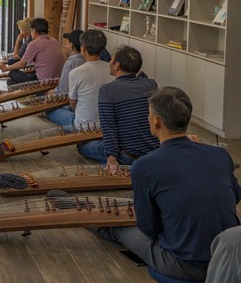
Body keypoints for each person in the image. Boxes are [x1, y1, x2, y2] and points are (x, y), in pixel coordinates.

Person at [92, 87, 240, 282]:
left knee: (120, 229)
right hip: (231, 257)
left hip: (185, 265)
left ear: (156, 121)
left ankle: (88, 218)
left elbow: (149, 228)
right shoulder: (220, 154)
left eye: (148, 114)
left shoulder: (144, 166)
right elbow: (235, 197)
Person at [96, 45, 159, 170]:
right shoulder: (151, 84)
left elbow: (108, 126)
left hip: (129, 156)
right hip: (155, 153)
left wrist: (111, 159)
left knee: (84, 146)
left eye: (111, 59)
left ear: (117, 65)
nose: (109, 62)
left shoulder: (107, 90)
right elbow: (142, 76)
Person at [44, 29, 113, 137]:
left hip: (82, 125)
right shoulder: (112, 70)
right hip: (106, 124)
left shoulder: (76, 72)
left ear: (83, 48)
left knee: (49, 110)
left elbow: (73, 103)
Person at [0, 17, 64, 85]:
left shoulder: (34, 44)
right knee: (13, 79)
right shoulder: (54, 41)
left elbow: (21, 64)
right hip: (58, 80)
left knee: (12, 73)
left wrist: (6, 68)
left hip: (44, 82)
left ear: (34, 32)